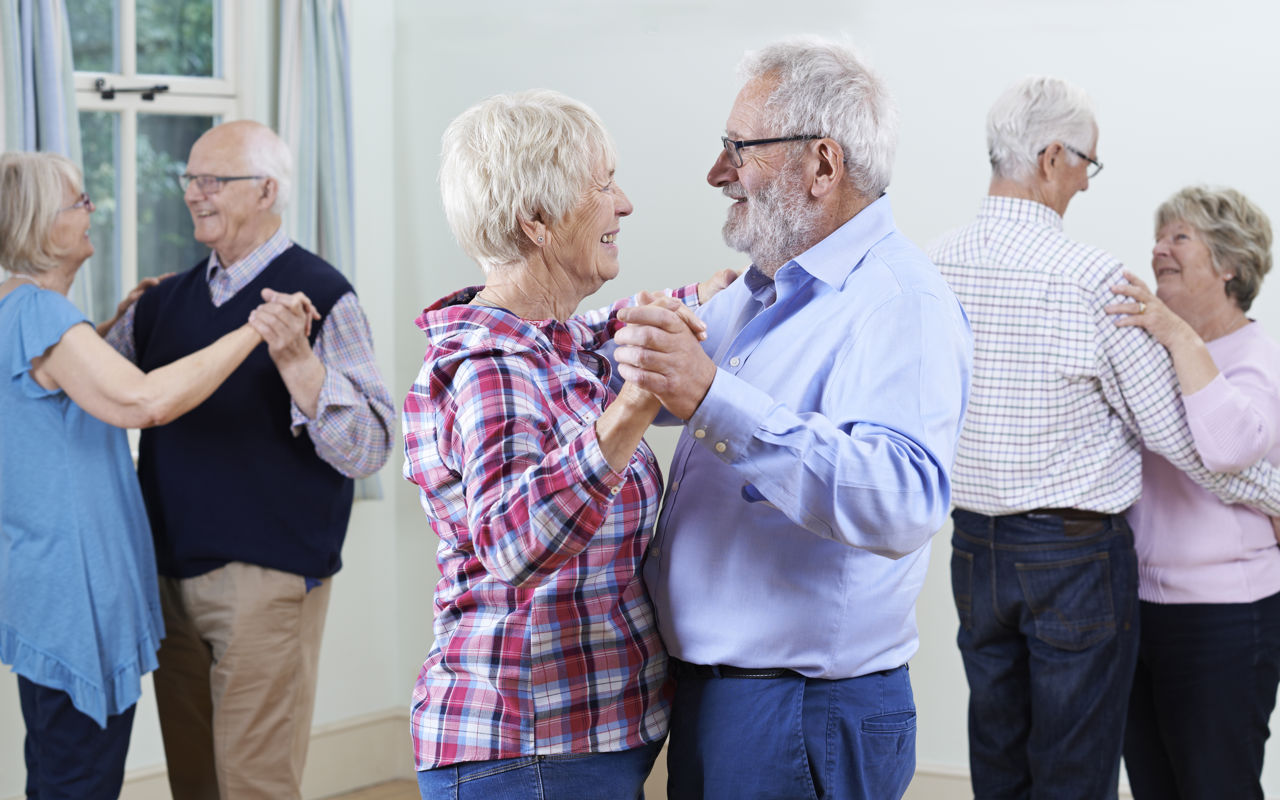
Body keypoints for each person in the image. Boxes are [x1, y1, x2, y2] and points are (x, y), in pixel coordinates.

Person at [612, 39, 973, 799]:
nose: (717, 173)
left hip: (803, 713)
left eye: (738, 149)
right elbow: (659, 380)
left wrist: (712, 397)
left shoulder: (900, 302)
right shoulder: (757, 293)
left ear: (822, 165)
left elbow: (903, 500)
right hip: (720, 700)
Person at [929, 78, 1280, 799]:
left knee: (1000, 753)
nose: (1087, 182)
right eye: (1088, 161)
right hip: (1072, 556)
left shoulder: (935, 266)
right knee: (1076, 768)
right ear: (1054, 157)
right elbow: (1182, 442)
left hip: (973, 547)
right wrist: (1273, 493)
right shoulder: (1089, 279)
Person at [404, 89, 727, 799]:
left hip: (577, 744)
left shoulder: (552, 346)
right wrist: (633, 408)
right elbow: (513, 542)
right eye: (603, 183)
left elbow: (601, 329)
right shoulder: (492, 367)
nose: (625, 204)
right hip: (524, 750)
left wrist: (704, 297)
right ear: (539, 222)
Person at [0, 151, 315, 798]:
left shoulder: (19, 311)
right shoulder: (42, 315)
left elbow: (54, 402)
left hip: (47, 581)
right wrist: (256, 327)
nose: (92, 210)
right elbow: (144, 401)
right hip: (72, 592)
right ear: (37, 225)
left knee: (65, 768)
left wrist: (109, 327)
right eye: (77, 203)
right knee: (77, 780)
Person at [102, 120, 395, 800]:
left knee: (254, 784)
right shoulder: (159, 302)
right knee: (195, 782)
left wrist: (298, 362)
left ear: (266, 190)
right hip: (167, 576)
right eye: (190, 180)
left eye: (212, 180)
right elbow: (88, 393)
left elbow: (371, 448)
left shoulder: (322, 294)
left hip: (268, 580)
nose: (194, 194)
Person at [1104, 186, 1280, 799]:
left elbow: (1231, 446)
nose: (1159, 250)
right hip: (1141, 612)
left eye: (1180, 237)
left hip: (1225, 620)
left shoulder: (1255, 356)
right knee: (1155, 787)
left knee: (1216, 789)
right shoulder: (1151, 351)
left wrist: (1179, 336)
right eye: (1159, 237)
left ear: (1229, 263)